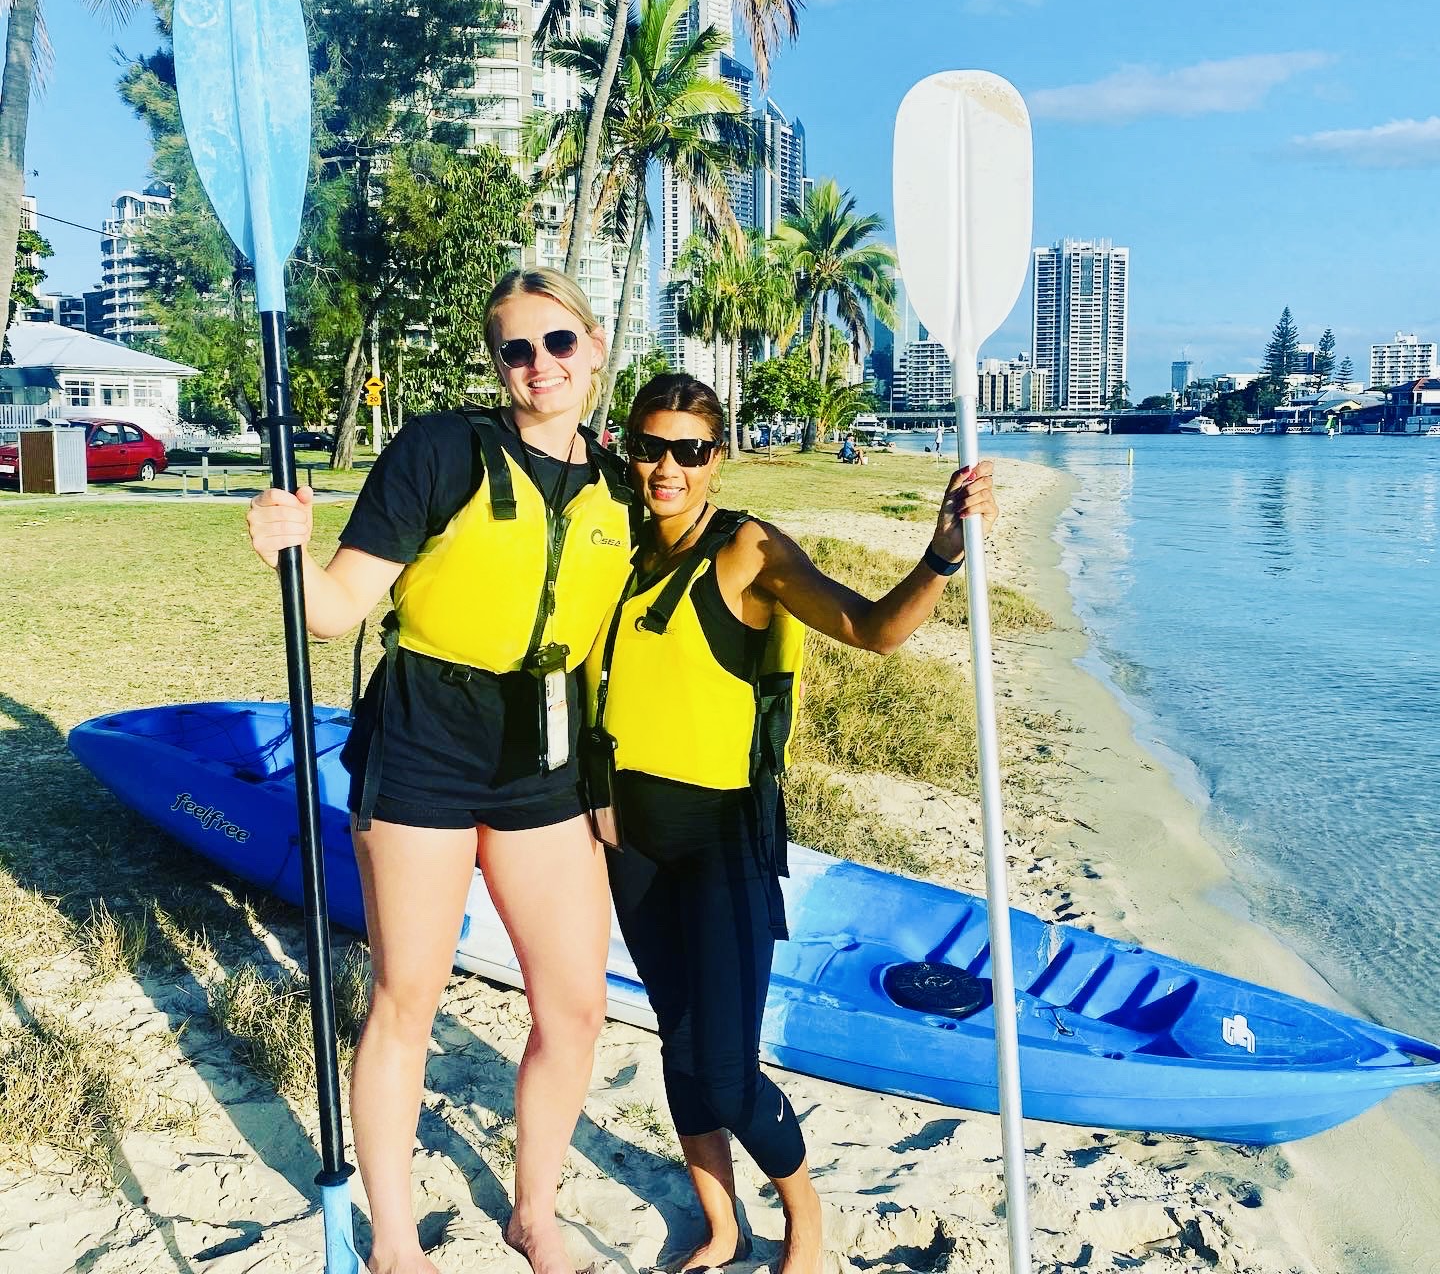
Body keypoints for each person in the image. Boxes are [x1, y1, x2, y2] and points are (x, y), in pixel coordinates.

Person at [245, 268, 635, 1274]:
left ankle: (533, 1212)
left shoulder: (626, 480)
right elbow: (336, 610)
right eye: (515, 349)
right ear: (496, 364)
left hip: (542, 758)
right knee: (407, 995)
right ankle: (392, 1240)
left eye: (556, 343)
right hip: (423, 744)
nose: (538, 366)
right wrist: (289, 549)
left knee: (576, 1007)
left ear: (594, 347)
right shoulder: (440, 450)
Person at [585, 374, 998, 1274]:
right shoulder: (611, 547)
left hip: (722, 838)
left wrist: (941, 555)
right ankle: (722, 1224)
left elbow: (876, 629)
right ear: (630, 450)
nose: (667, 467)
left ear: (716, 460)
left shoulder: (749, 551)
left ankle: (805, 1222)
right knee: (678, 1038)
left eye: (689, 451)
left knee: (727, 1068)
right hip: (634, 842)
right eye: (650, 446)